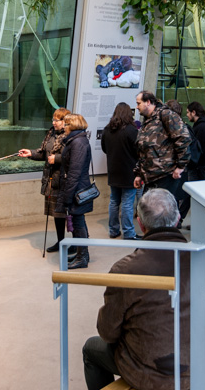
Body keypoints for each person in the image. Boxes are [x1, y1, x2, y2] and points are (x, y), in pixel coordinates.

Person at [81, 189, 205, 390]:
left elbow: (107, 332)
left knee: (91, 348)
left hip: (150, 374)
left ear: (140, 223)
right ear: (178, 219)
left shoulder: (126, 269)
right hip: (201, 366)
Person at [18, 107, 70, 253]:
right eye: (53, 119)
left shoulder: (69, 135)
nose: (54, 122)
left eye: (57, 120)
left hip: (64, 180)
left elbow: (73, 156)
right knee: (56, 213)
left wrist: (57, 159)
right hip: (51, 179)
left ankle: (77, 244)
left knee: (68, 215)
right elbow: (43, 154)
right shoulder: (51, 133)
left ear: (65, 121)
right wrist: (30, 153)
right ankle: (61, 242)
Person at [55, 113, 94, 270]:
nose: (63, 127)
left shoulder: (78, 142)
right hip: (76, 187)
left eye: (66, 124)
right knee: (79, 222)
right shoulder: (76, 140)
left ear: (72, 125)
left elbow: (74, 173)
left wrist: (67, 196)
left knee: (78, 223)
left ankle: (82, 257)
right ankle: (81, 253)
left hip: (77, 189)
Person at [133, 92, 191, 193]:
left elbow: (183, 138)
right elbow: (143, 150)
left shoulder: (166, 115)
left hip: (165, 176)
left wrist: (180, 166)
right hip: (150, 178)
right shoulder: (148, 121)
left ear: (148, 102)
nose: (137, 107)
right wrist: (139, 174)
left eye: (139, 103)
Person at [101, 103, 139, 240]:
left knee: (114, 201)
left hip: (113, 170)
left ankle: (113, 230)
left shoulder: (107, 130)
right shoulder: (131, 130)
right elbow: (138, 151)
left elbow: (104, 148)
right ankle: (128, 233)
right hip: (129, 171)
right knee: (128, 203)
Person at [178, 101, 205, 226]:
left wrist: (193, 162)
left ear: (194, 112)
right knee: (194, 194)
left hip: (199, 165)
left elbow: (199, 149)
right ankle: (188, 220)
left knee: (193, 193)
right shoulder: (203, 125)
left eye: (188, 112)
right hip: (201, 164)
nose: (187, 115)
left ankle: (183, 219)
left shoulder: (201, 127)